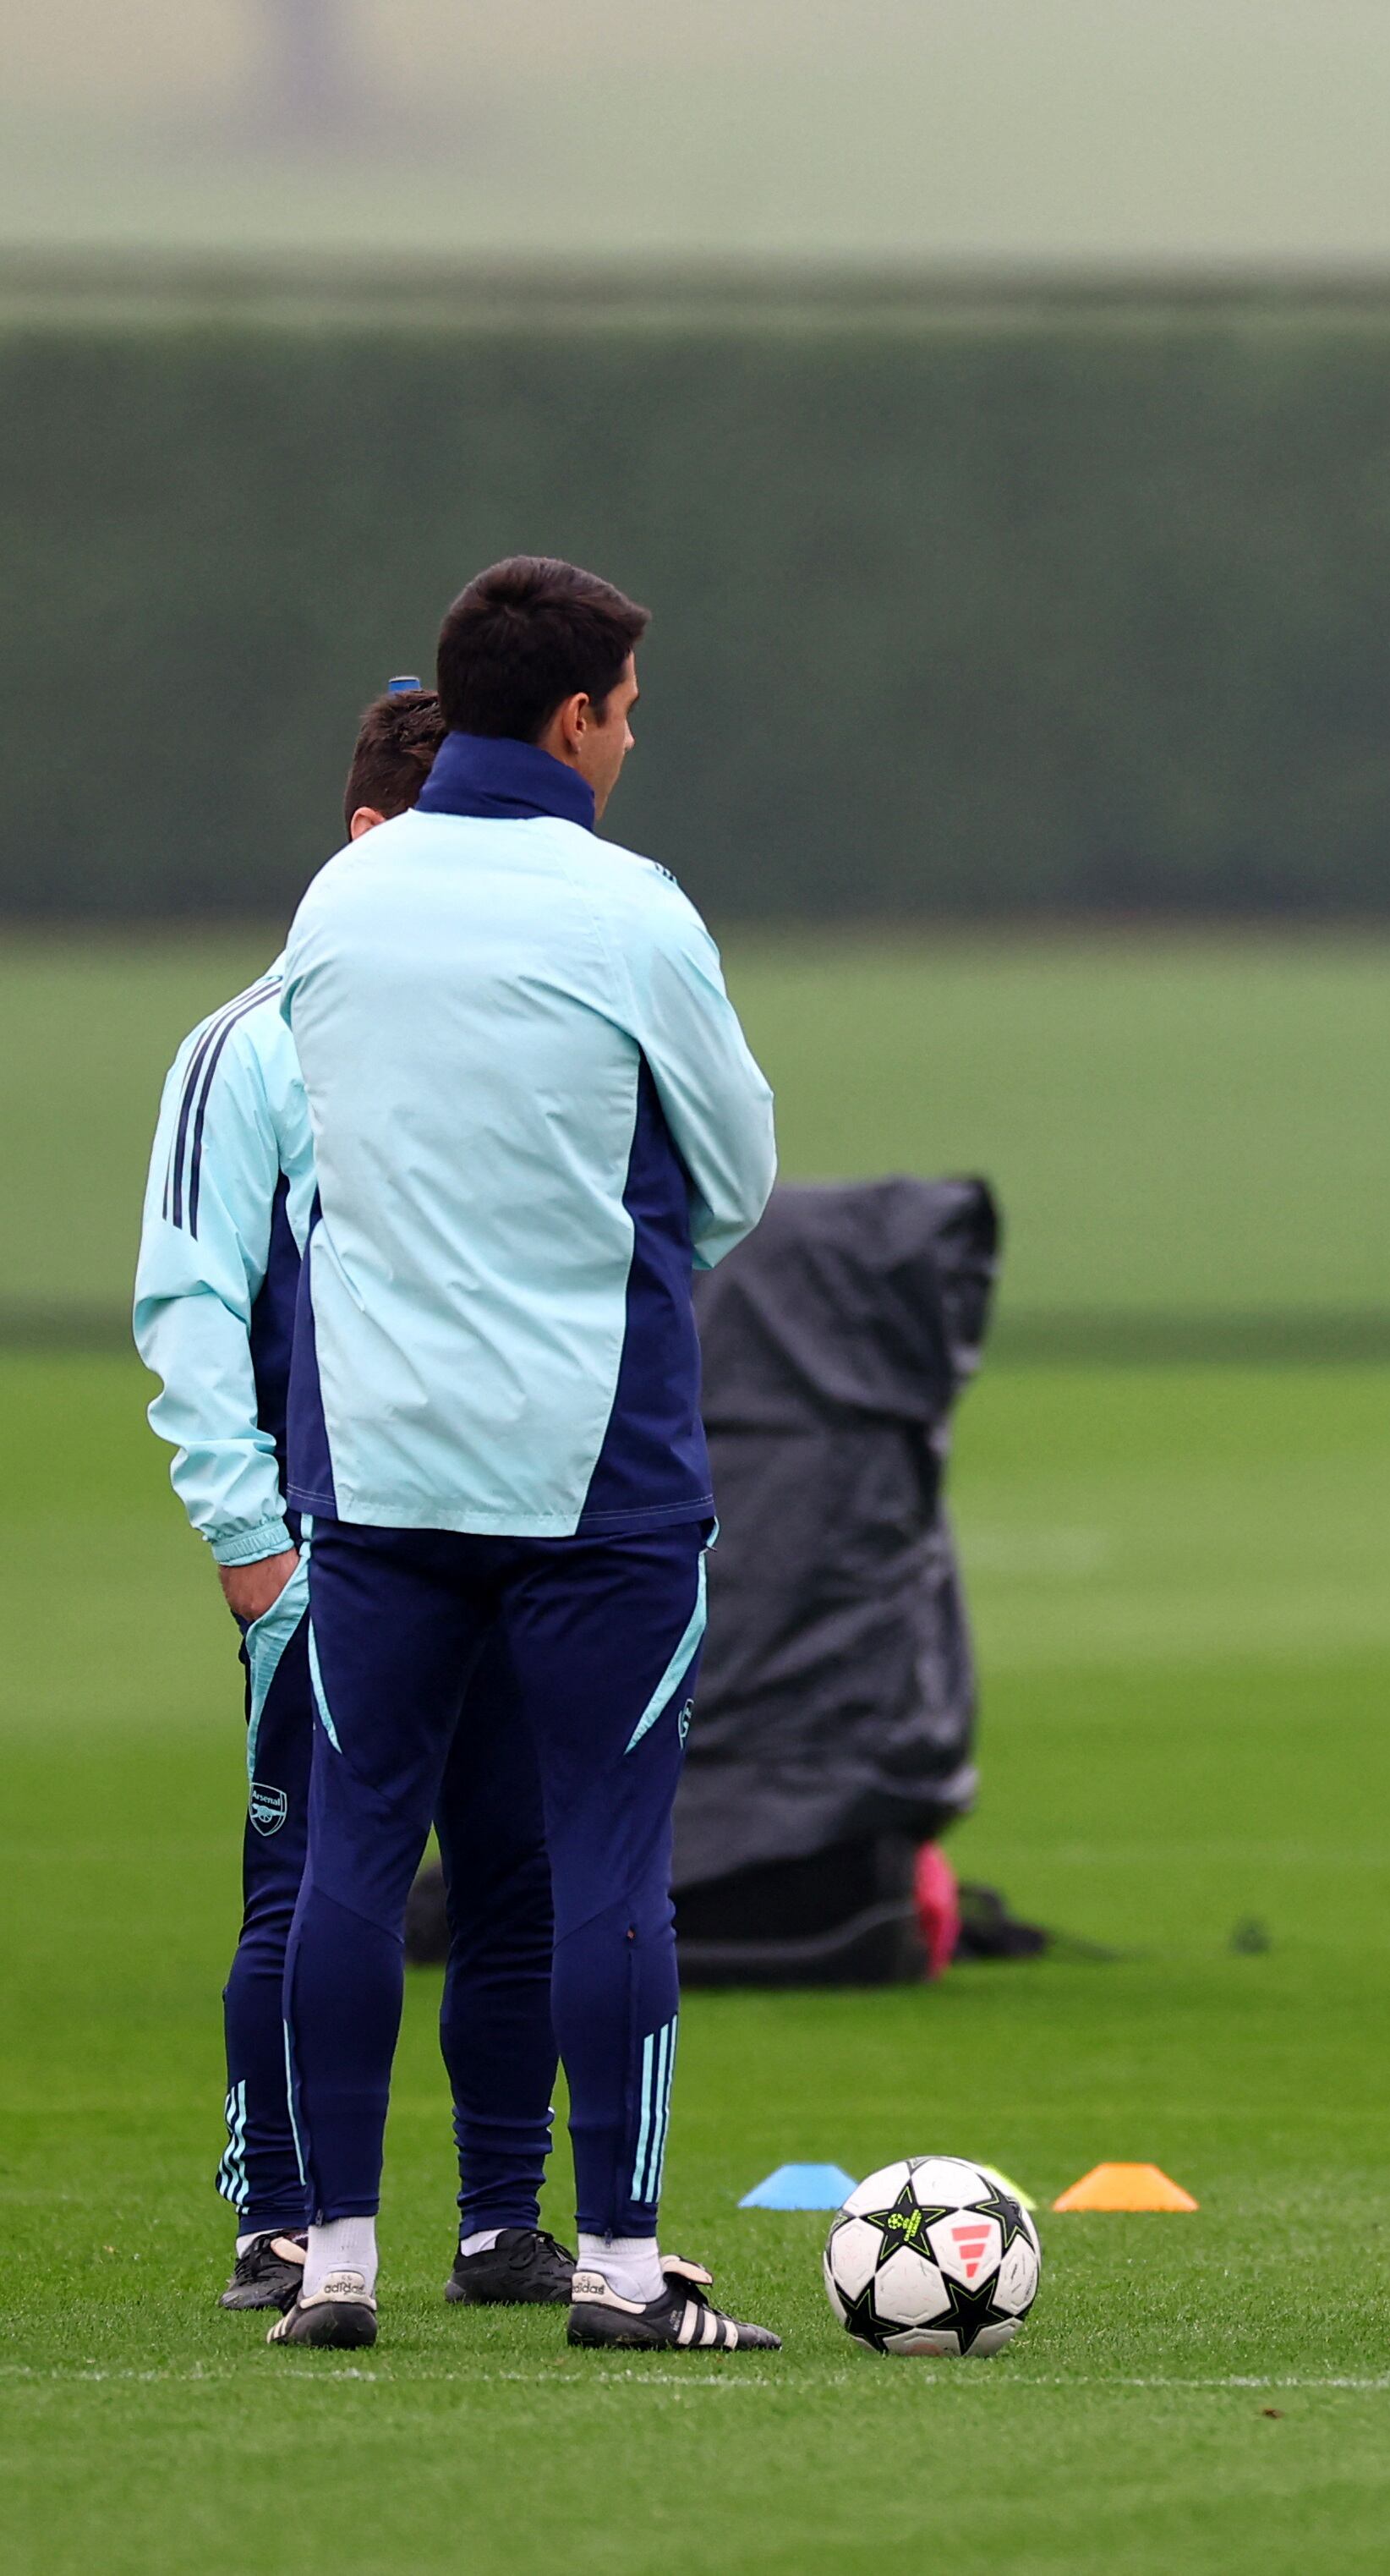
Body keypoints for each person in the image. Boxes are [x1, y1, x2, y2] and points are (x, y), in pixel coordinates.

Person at [261, 558, 784, 2351]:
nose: (634, 736)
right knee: (604, 1868)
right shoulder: (631, 908)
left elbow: (326, 1147)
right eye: (629, 709)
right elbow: (736, 1173)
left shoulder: (339, 897)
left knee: (351, 1855)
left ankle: (333, 2261)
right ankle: (625, 2272)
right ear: (575, 718)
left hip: (377, 1466)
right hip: (596, 1479)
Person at [134, 683, 582, 2316]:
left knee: (515, 1880)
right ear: (361, 841)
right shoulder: (245, 1044)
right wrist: (250, 1544)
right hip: (330, 1552)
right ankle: (282, 2216)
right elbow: (189, 1302)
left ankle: (500, 2220)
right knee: (315, 1882)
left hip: (507, 1531)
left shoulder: (511, 1030)